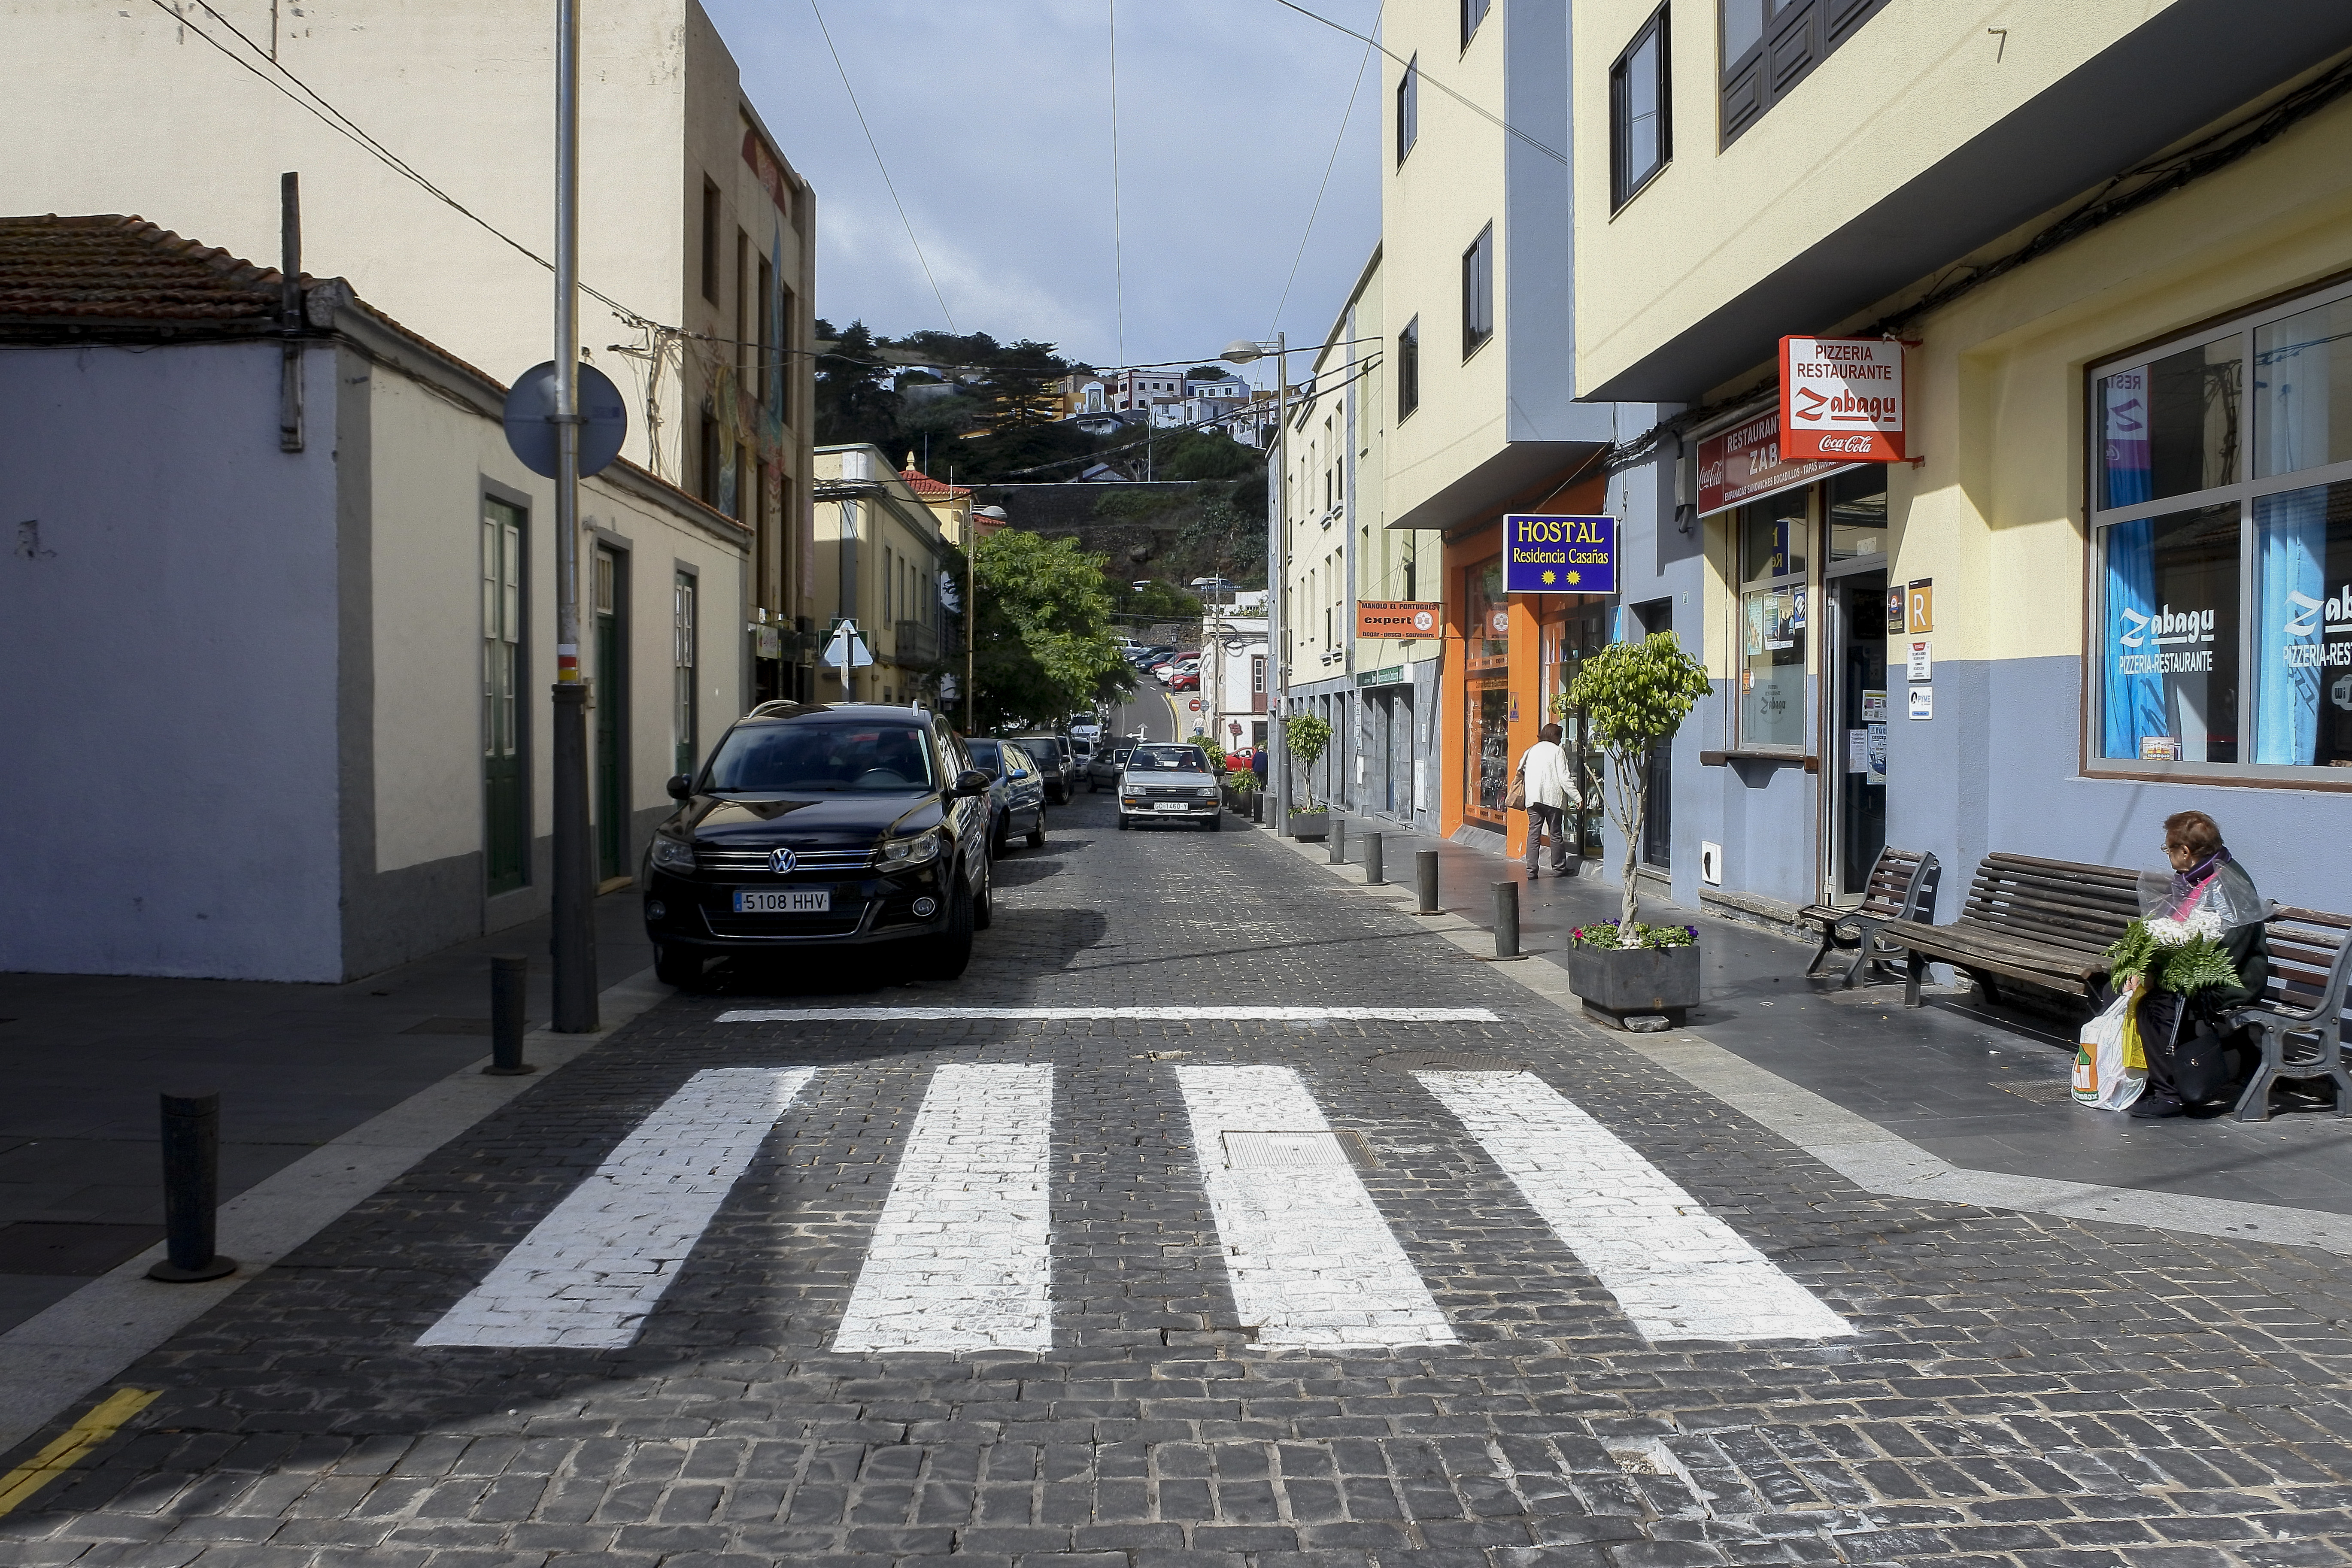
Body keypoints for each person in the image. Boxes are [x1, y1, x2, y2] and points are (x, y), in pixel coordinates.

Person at [2127, 810, 2270, 1119]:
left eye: (2168, 849)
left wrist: (2168, 976)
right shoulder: (2196, 877)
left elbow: (2230, 948)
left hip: (2233, 978)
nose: (2167, 855)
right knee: (2124, 993)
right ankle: (2150, 1081)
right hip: (2202, 969)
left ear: (2185, 852)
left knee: (2157, 1006)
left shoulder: (2229, 883)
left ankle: (2170, 1094)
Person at [1516, 722, 1575, 877]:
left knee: (1534, 833)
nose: (1561, 741)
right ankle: (1559, 868)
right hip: (1552, 799)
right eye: (1560, 737)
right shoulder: (1558, 751)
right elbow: (1564, 778)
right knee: (1555, 833)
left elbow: (1520, 770)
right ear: (1555, 737)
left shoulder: (1531, 750)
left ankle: (1531, 871)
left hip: (1533, 798)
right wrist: (1577, 796)